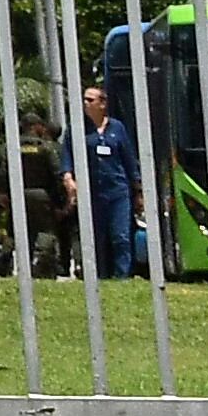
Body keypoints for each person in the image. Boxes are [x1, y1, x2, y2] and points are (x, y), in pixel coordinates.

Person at [84, 83, 149, 279]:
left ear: (102, 104)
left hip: (118, 192)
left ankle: (123, 275)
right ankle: (101, 275)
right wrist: (69, 178)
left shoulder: (117, 128)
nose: (85, 103)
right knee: (98, 237)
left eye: (90, 100)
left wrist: (138, 191)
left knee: (120, 236)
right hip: (93, 193)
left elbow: (129, 159)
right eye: (84, 100)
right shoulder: (79, 129)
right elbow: (68, 158)